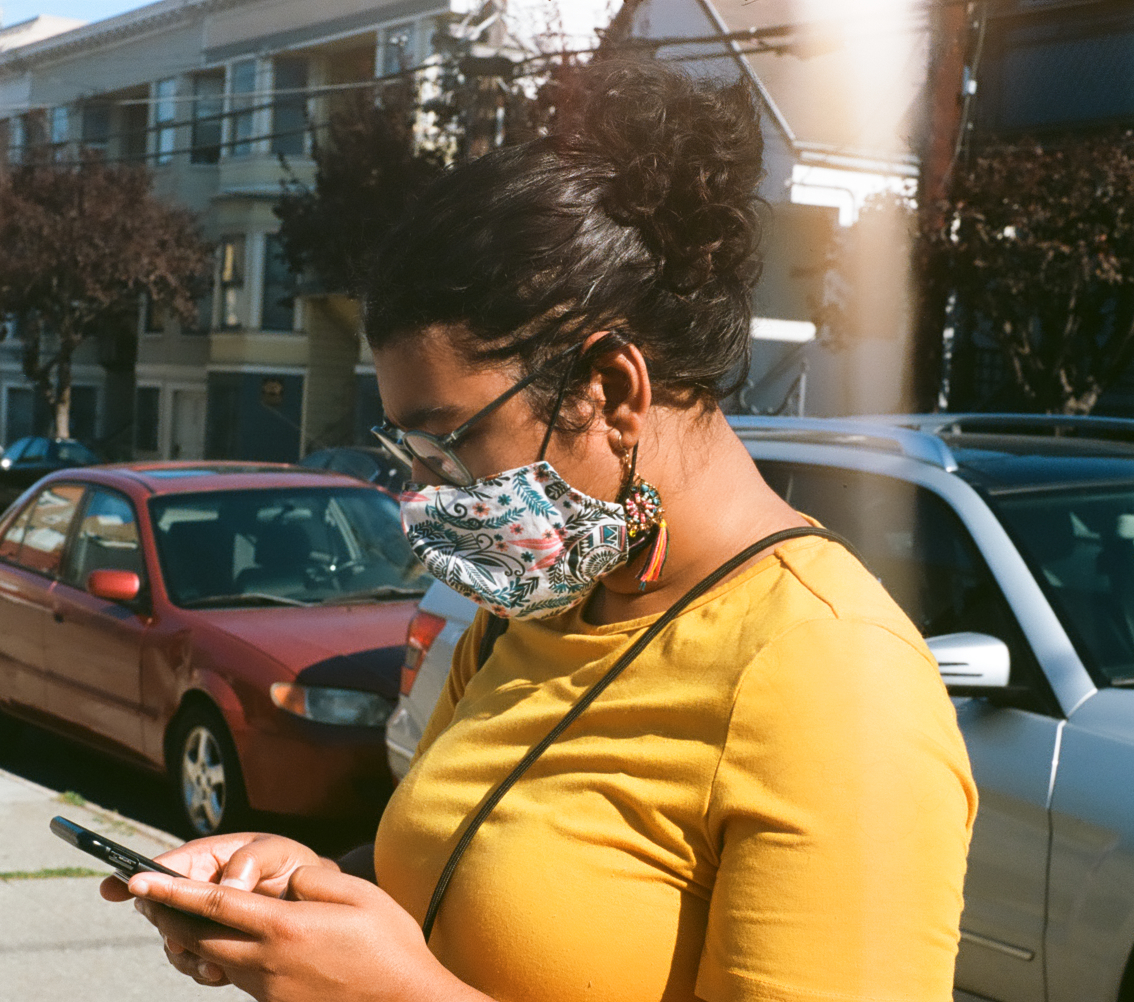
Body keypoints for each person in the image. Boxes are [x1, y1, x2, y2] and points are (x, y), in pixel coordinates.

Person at [100, 60, 977, 1002]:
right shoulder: (544, 604)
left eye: (453, 440)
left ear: (611, 391)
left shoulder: (831, 673)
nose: (434, 491)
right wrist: (310, 889)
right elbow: (454, 896)